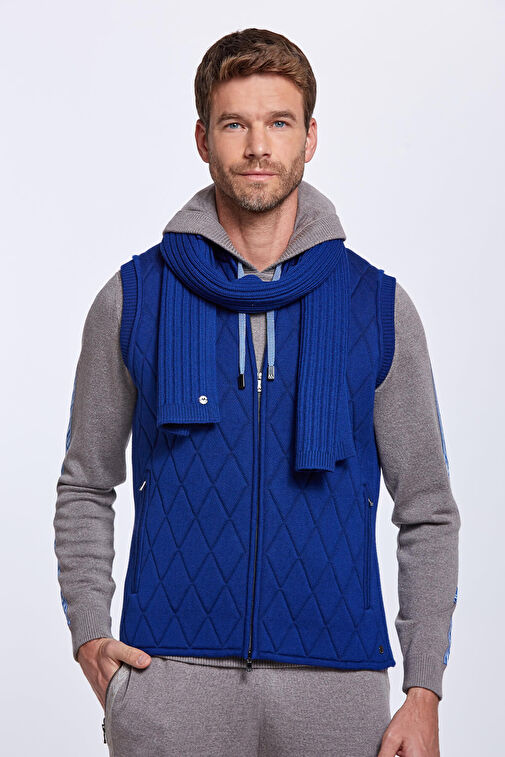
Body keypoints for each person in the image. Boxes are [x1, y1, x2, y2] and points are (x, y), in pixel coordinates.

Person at [53, 27, 460, 757]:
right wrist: (89, 634)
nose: (258, 147)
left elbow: (427, 508)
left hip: (338, 687)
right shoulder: (133, 298)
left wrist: (423, 691)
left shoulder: (376, 306)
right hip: (170, 678)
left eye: (279, 122)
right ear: (203, 138)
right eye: (235, 124)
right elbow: (86, 482)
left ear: (310, 137)